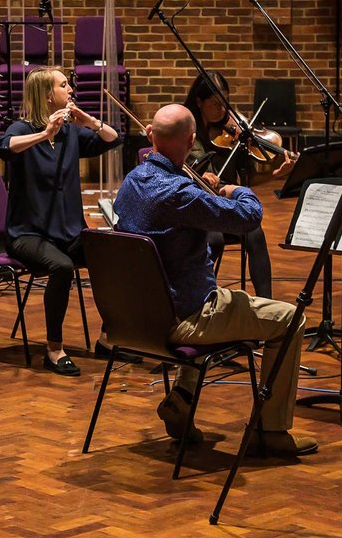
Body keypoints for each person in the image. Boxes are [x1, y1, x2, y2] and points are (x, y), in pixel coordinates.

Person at [115, 103, 316, 456]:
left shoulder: (134, 181)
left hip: (135, 318)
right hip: (184, 319)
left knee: (218, 297)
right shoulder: (179, 193)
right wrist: (228, 188)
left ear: (151, 136)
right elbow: (248, 217)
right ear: (191, 140)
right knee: (291, 319)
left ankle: (181, 401)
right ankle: (270, 430)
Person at [0, 67, 123, 377]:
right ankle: (54, 349)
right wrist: (43, 134)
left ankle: (109, 339)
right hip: (27, 233)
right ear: (48, 95)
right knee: (62, 267)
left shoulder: (70, 133)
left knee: (116, 255)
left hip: (67, 232)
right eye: (64, 85)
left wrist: (88, 121)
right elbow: (3, 147)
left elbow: (113, 138)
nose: (70, 89)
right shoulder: (21, 129)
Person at [183, 71, 293, 298]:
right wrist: (204, 179)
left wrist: (276, 174)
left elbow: (248, 180)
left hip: (226, 202)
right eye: (215, 104)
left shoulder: (234, 133)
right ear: (199, 102)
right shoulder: (187, 133)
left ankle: (266, 302)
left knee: (254, 230)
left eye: (225, 103)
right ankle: (200, 299)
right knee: (214, 239)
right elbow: (184, 175)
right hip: (198, 204)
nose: (223, 111)